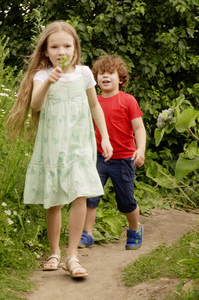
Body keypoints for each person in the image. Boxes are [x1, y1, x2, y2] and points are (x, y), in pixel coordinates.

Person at [5, 21, 113, 278]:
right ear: (45, 51)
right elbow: (36, 106)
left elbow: (94, 106)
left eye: (67, 45)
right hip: (53, 145)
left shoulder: (85, 73)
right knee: (54, 200)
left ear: (75, 48)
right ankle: (54, 252)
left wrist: (105, 138)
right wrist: (49, 81)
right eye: (55, 46)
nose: (61, 51)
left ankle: (72, 256)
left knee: (79, 195)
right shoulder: (41, 76)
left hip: (79, 144)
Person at [79, 54, 146, 250]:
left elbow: (139, 128)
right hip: (99, 157)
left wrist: (140, 150)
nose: (105, 77)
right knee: (90, 196)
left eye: (110, 73)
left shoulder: (128, 101)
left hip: (124, 159)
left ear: (121, 78)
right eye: (101, 73)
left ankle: (134, 229)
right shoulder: (94, 101)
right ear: (95, 79)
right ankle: (87, 234)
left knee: (126, 201)